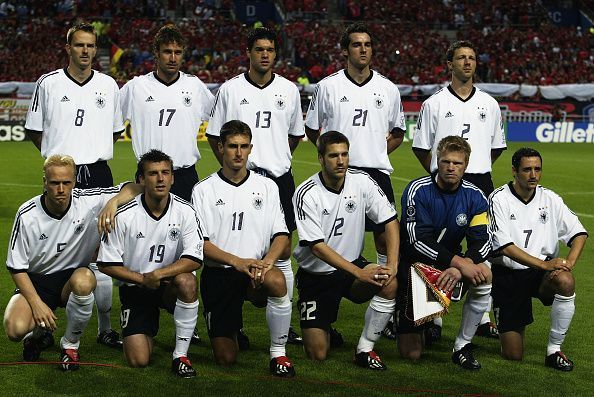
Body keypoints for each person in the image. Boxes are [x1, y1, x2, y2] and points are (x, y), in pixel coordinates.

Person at [24, 22, 126, 348]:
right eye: (79, 45)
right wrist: (60, 160)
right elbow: (34, 130)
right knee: (54, 250)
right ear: (68, 48)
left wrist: (88, 153)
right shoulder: (48, 83)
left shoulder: (109, 85)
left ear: (96, 49)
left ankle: (106, 328)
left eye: (90, 46)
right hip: (62, 175)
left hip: (97, 174)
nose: (85, 51)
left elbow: (113, 132)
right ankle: (45, 323)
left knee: (102, 252)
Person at [304, 22, 406, 340]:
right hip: (338, 173)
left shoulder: (388, 89)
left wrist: (374, 152)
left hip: (374, 173)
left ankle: (387, 308)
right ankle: (326, 304)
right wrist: (332, 154)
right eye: (356, 44)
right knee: (333, 241)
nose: (363, 49)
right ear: (345, 49)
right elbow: (312, 129)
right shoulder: (328, 87)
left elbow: (399, 132)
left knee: (384, 241)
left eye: (368, 44)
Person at [206, 27, 304, 345]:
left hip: (278, 178)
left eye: (270, 49)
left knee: (283, 249)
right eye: (259, 49)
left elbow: (294, 134)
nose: (265, 54)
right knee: (235, 246)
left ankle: (284, 326)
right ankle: (232, 319)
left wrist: (275, 158)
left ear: (276, 54)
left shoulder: (289, 90)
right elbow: (214, 136)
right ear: (248, 52)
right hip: (240, 178)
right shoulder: (230, 90)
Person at [3, 155, 139, 370]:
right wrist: (37, 304)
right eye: (54, 183)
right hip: (38, 281)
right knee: (15, 330)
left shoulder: (89, 202)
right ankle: (36, 336)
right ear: (44, 182)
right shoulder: (27, 214)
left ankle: (70, 346)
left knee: (85, 280)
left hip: (71, 279)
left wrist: (113, 202)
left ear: (74, 182)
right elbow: (15, 267)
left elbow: (135, 188)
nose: (60, 189)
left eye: (66, 182)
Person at [412, 40, 506, 340]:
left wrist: (471, 169)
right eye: (461, 58)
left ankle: (483, 317)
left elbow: (495, 148)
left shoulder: (490, 104)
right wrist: (443, 172)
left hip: (479, 183)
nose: (467, 62)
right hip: (443, 186)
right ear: (449, 64)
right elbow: (422, 148)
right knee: (440, 246)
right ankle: (433, 316)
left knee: (482, 248)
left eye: (472, 57)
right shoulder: (434, 103)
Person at [192, 120, 296, 377]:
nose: (239, 153)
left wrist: (268, 261)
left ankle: (278, 353)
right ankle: (229, 329)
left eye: (244, 146)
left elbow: (282, 235)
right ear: (220, 148)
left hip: (256, 272)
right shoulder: (203, 190)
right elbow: (200, 244)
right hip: (220, 274)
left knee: (277, 280)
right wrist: (237, 261)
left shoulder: (267, 187)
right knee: (226, 359)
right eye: (232, 146)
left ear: (251, 148)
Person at [293, 131, 399, 370]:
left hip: (352, 267)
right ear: (320, 158)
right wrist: (358, 272)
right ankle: (326, 328)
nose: (340, 161)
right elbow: (317, 248)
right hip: (316, 276)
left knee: (388, 281)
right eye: (333, 156)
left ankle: (365, 348)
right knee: (317, 354)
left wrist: (392, 264)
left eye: (344, 154)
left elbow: (390, 221)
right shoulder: (306, 192)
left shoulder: (362, 181)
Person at [97, 150, 203, 378]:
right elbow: (106, 264)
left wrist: (160, 274)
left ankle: (181, 356)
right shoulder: (124, 215)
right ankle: (145, 328)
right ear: (141, 180)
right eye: (153, 174)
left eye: (166, 172)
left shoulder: (185, 211)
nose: (161, 178)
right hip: (135, 288)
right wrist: (143, 279)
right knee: (138, 360)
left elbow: (195, 258)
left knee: (187, 281)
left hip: (168, 286)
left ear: (173, 177)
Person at [397, 136, 492, 370]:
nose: (451, 167)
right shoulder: (417, 190)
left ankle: (461, 345)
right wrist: (458, 262)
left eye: (457, 163)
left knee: (484, 274)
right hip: (414, 268)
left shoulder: (475, 196)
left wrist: (464, 265)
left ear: (466, 165)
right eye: (446, 161)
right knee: (412, 353)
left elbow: (484, 240)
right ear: (437, 162)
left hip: (450, 268)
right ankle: (419, 316)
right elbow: (416, 241)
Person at [488, 148, 588, 371]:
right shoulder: (498, 199)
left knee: (566, 281)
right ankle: (499, 310)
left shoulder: (550, 198)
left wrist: (568, 263)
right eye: (527, 169)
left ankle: (554, 350)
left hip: (540, 275)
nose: (533, 175)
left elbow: (579, 233)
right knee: (513, 355)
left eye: (537, 169)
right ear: (514, 171)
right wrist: (545, 264)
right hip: (509, 275)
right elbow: (504, 246)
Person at [120, 24, 214, 202]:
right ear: (156, 52)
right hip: (148, 175)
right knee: (145, 229)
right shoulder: (136, 87)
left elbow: (218, 121)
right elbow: (112, 124)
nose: (173, 58)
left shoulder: (194, 86)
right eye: (167, 51)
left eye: (178, 52)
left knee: (186, 229)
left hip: (185, 176)